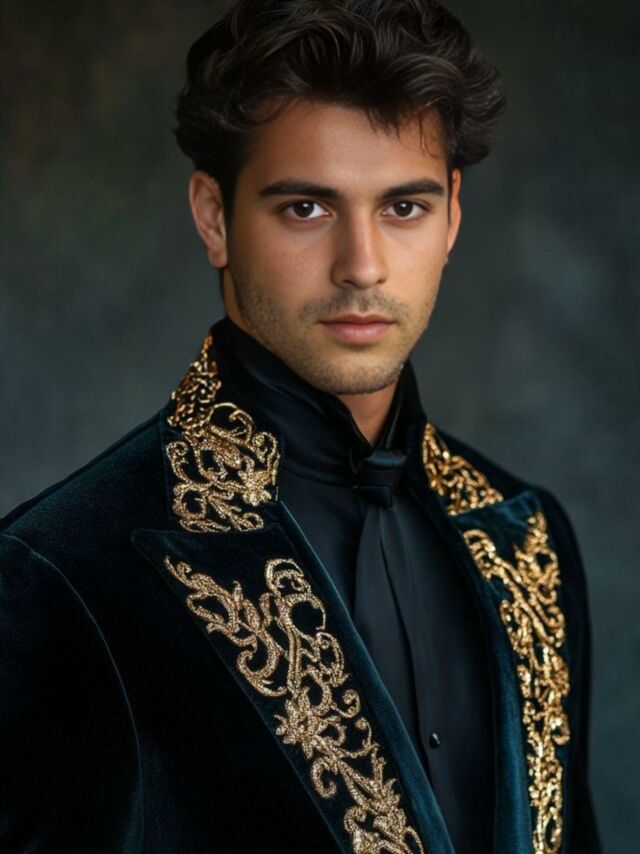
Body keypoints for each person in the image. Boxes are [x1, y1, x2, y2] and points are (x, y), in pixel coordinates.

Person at [0, 1, 602, 852]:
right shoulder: (59, 572)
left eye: (404, 207)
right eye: (307, 209)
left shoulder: (527, 534)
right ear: (214, 216)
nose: (362, 266)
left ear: (453, 217)